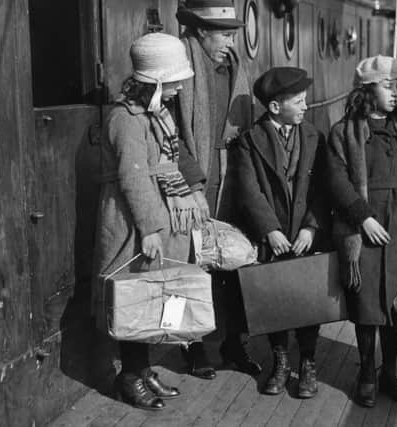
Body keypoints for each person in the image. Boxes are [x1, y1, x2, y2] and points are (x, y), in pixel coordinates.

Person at [92, 32, 208, 410]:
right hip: (132, 221)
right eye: (173, 82)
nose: (177, 89)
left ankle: (141, 371)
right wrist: (151, 231)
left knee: (149, 292)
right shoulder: (127, 120)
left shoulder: (153, 114)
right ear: (156, 82)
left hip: (148, 215)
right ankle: (128, 377)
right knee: (134, 296)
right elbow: (134, 178)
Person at [325, 55, 397, 408]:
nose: (394, 93)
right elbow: (336, 180)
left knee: (394, 301)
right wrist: (363, 218)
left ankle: (390, 371)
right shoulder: (343, 132)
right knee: (367, 302)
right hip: (366, 226)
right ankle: (367, 373)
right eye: (387, 86)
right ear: (366, 88)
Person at [175, 0, 260, 379]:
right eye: (224, 34)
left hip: (230, 179)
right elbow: (169, 135)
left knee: (233, 264)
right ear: (200, 32)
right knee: (191, 265)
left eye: (232, 34)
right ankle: (192, 348)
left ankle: (232, 343)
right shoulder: (180, 70)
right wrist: (192, 182)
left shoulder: (233, 67)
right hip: (195, 182)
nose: (229, 41)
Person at [231, 67, 328, 398]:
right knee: (275, 297)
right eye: (298, 101)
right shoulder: (248, 142)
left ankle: (308, 364)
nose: (305, 107)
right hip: (272, 236)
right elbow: (249, 191)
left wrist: (312, 227)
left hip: (304, 235)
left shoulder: (314, 137)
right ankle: (281, 361)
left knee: (308, 298)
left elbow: (321, 190)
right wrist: (269, 230)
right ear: (275, 107)